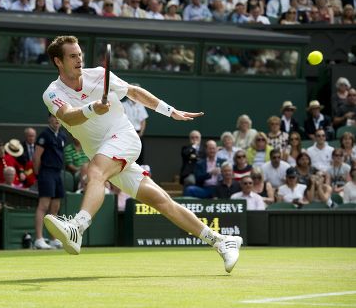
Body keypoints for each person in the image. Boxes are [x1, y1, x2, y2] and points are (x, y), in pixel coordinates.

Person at [42, 36, 242, 273]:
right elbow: (68, 116)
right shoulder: (52, 92)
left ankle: (77, 226)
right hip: (103, 152)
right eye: (72, 56)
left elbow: (134, 92)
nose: (79, 59)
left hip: (123, 138)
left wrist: (170, 111)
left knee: (94, 171)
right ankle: (222, 241)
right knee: (162, 202)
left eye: (80, 54)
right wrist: (93, 108)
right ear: (58, 61)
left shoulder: (98, 74)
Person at [33, 113, 67, 250]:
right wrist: (38, 175)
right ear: (49, 119)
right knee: (43, 206)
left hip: (58, 173)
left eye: (59, 117)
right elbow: (36, 158)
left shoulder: (63, 136)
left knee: (55, 208)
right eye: (54, 117)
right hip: (46, 172)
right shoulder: (44, 136)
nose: (57, 120)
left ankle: (53, 239)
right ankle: (39, 239)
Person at [121, 84, 149, 165]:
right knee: (127, 155)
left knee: (140, 156)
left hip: (139, 134)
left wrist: (141, 133)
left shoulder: (140, 105)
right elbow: (123, 120)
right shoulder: (123, 105)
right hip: (127, 133)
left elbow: (143, 121)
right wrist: (131, 133)